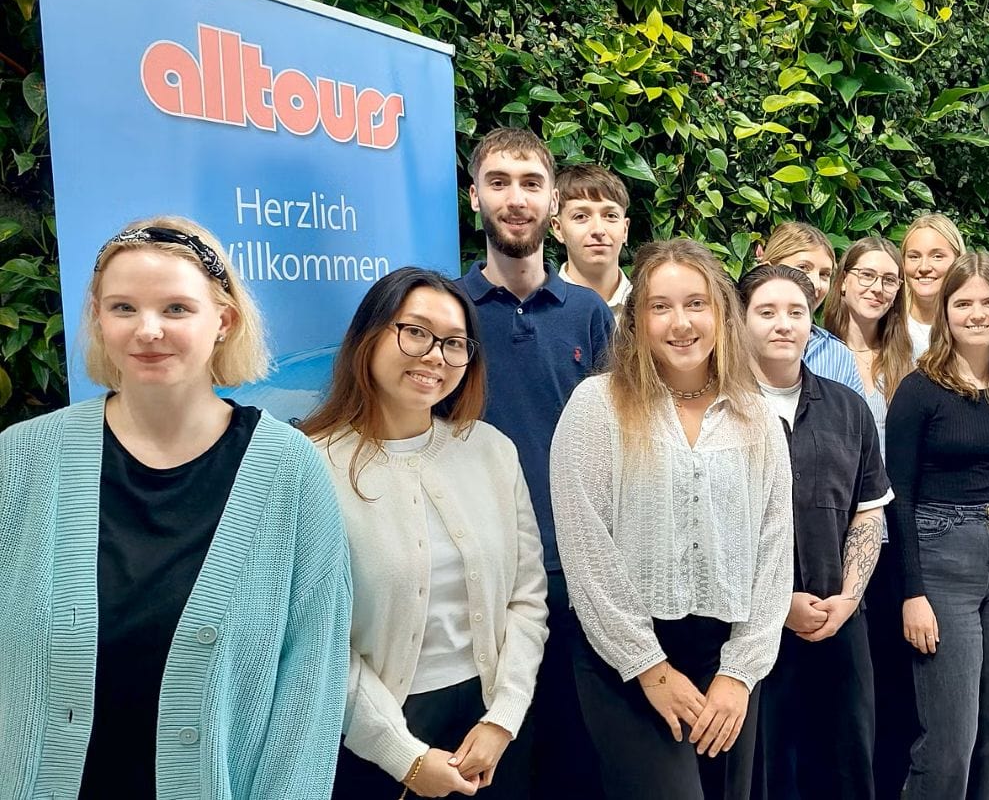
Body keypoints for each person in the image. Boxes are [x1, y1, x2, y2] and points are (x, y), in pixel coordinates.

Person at [0, 217, 351, 799]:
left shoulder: (290, 471)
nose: (148, 330)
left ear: (224, 321)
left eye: (177, 309)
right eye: (122, 308)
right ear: (97, 318)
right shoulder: (22, 462)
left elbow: (310, 686)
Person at [550, 239, 793, 800]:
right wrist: (649, 668)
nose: (680, 322)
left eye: (696, 304)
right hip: (624, 658)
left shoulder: (757, 416)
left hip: (727, 656)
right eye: (660, 306)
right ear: (637, 320)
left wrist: (740, 672)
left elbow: (775, 551)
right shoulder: (597, 406)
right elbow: (586, 551)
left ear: (722, 315)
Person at [300, 268, 550, 799]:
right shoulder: (309, 469)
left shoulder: (491, 451)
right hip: (372, 742)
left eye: (456, 343)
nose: (436, 355)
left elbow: (527, 598)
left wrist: (503, 716)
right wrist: (404, 756)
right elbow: (314, 642)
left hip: (495, 732)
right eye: (415, 332)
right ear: (369, 335)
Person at [458, 127, 613, 797]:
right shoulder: (445, 308)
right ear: (474, 198)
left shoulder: (589, 314)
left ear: (553, 203)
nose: (514, 198)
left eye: (530, 183)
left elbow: (620, 442)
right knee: (493, 766)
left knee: (574, 762)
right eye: (498, 182)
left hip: (575, 577)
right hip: (478, 583)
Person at [886, 252, 989, 800]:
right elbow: (900, 496)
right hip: (942, 558)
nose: (977, 313)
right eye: (964, 303)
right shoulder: (918, 391)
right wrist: (912, 593)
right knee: (951, 735)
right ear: (945, 312)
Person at [740, 264, 892, 799]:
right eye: (767, 312)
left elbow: (868, 512)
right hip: (747, 629)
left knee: (846, 763)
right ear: (740, 320)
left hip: (840, 622)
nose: (783, 324)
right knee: (766, 770)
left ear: (812, 323)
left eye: (796, 312)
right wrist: (780, 604)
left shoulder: (848, 408)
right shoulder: (721, 408)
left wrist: (848, 599)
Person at [824, 236, 918, 799]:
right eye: (866, 275)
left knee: (893, 674)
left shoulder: (910, 357)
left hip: (895, 528)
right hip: (834, 527)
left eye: (889, 279)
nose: (877, 288)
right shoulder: (815, 349)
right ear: (843, 280)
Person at [756, 221, 864, 393]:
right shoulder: (733, 344)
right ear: (767, 270)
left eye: (824, 274)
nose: (815, 284)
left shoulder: (837, 355)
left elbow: (855, 418)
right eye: (803, 268)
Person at [554, 163, 633, 324]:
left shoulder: (650, 309)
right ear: (558, 229)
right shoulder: (537, 311)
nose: (598, 229)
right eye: (581, 216)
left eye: (610, 215)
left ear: (625, 229)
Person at [898, 213, 966, 357]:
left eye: (937, 256)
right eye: (914, 257)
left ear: (958, 260)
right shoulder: (889, 322)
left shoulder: (970, 325)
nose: (924, 267)